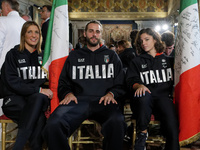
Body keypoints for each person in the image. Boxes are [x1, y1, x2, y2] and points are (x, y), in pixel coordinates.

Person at [43, 20, 127, 150]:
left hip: (104, 101)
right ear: (85, 33)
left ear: (101, 34)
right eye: (91, 31)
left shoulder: (112, 56)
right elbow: (64, 82)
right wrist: (67, 93)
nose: (94, 34)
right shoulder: (74, 56)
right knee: (54, 124)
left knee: (117, 122)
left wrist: (112, 94)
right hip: (78, 101)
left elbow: (121, 83)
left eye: (97, 31)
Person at [0, 21, 53, 150]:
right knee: (38, 116)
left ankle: (18, 146)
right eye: (29, 32)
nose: (33, 35)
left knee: (38, 99)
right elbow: (12, 82)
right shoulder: (13, 54)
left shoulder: (44, 57)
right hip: (14, 101)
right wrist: (38, 89)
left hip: (34, 100)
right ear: (23, 35)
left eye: (37, 32)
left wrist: (40, 91)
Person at [126, 28, 180, 150]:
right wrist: (139, 85)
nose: (143, 43)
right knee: (144, 95)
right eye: (141, 41)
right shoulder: (136, 61)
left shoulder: (168, 60)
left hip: (163, 98)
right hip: (143, 99)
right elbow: (130, 80)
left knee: (172, 124)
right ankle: (143, 133)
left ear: (155, 40)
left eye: (147, 39)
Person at [0, 0, 25, 70]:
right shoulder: (25, 23)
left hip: (4, 66)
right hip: (22, 66)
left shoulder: (2, 21)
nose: (1, 11)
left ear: (6, 6)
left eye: (2, 7)